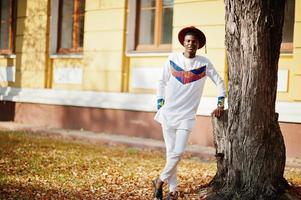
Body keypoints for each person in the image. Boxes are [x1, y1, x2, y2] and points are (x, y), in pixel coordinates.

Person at [152, 26, 226, 200]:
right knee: (171, 153)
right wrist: (160, 104)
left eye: (194, 41)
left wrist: (220, 104)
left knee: (177, 152)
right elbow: (161, 81)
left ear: (199, 44)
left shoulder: (204, 63)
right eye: (188, 41)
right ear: (183, 43)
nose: (191, 44)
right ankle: (172, 190)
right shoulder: (172, 59)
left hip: (186, 116)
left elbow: (220, 82)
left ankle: (159, 180)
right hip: (168, 113)